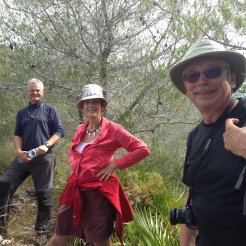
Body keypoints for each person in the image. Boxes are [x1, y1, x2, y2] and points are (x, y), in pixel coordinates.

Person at [48, 84, 151, 246]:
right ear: (82, 107)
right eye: (87, 102)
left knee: (100, 242)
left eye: (96, 101)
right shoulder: (81, 129)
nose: (91, 105)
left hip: (98, 193)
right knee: (58, 238)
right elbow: (76, 155)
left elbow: (143, 149)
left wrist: (115, 164)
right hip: (75, 190)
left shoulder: (114, 130)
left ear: (102, 105)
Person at [169, 39, 246, 246]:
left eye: (212, 72)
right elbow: (193, 195)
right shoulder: (195, 137)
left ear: (231, 78)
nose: (201, 81)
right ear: (186, 89)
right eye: (192, 76)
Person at [0, 78, 64, 244]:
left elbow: (59, 131)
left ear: (43, 92)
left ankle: (41, 233)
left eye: (38, 90)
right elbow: (17, 133)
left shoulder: (50, 110)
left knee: (44, 194)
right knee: (4, 183)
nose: (35, 93)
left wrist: (46, 145)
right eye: (32, 90)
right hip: (24, 156)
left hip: (44, 158)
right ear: (27, 91)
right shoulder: (22, 112)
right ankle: (1, 230)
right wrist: (18, 151)